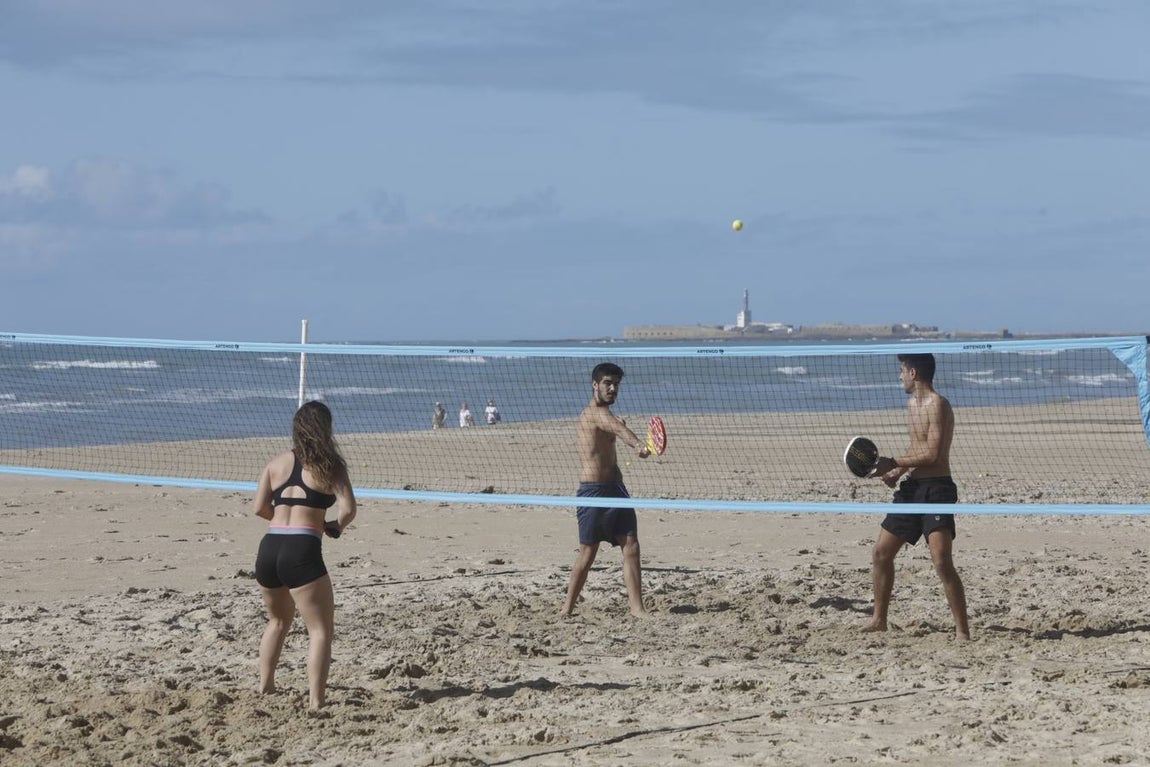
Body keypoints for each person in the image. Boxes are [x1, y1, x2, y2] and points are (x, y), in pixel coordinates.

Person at [252, 401, 357, 708]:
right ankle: (316, 701)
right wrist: (332, 526)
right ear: (325, 430)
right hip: (302, 549)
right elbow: (349, 510)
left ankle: (265, 686)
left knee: (277, 622)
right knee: (320, 630)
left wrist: (286, 519)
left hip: (269, 548)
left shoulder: (276, 463)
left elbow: (259, 508)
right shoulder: (331, 465)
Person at [863, 353, 970, 641]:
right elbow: (917, 450)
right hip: (912, 489)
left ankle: (962, 631)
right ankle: (879, 620)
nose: (899, 376)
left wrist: (892, 460)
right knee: (881, 553)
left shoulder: (938, 405)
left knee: (940, 560)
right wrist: (897, 471)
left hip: (937, 489)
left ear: (913, 373)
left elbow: (933, 454)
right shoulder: (912, 405)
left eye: (901, 370)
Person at [561, 362, 650, 618]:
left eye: (616, 385)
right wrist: (638, 445)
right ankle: (566, 609)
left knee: (631, 545)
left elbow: (613, 426)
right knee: (588, 552)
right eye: (607, 383)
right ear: (594, 385)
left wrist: (619, 430)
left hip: (616, 490)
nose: (612, 389)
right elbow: (619, 429)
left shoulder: (606, 415)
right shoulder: (595, 414)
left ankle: (637, 609)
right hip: (594, 492)